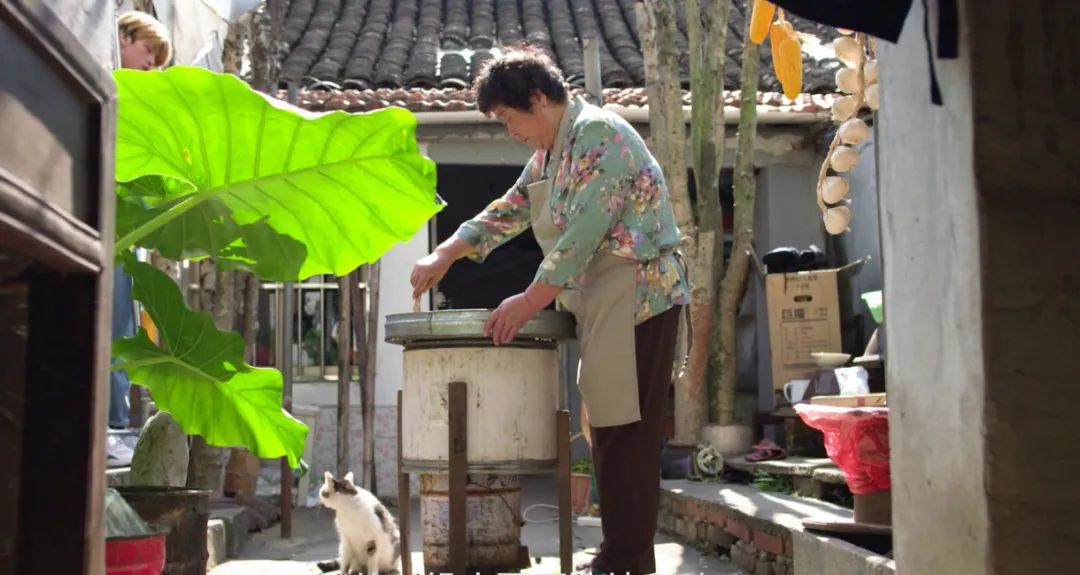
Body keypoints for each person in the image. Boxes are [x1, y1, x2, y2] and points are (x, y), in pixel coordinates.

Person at [410, 47, 690, 575]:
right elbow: (511, 208)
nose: (510, 132)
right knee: (607, 428)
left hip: (639, 296)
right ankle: (623, 557)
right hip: (603, 301)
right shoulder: (551, 153)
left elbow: (583, 234)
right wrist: (446, 252)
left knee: (627, 432)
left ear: (538, 99)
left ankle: (624, 561)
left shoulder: (598, 135)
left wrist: (528, 301)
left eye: (508, 119)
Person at [107, 10, 172, 468]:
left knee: (122, 332)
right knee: (111, 329)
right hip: (102, 224)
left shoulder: (137, 106)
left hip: (124, 234)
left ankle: (114, 426)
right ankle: (111, 428)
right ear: (124, 36)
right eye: (148, 53)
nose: (151, 66)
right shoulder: (101, 88)